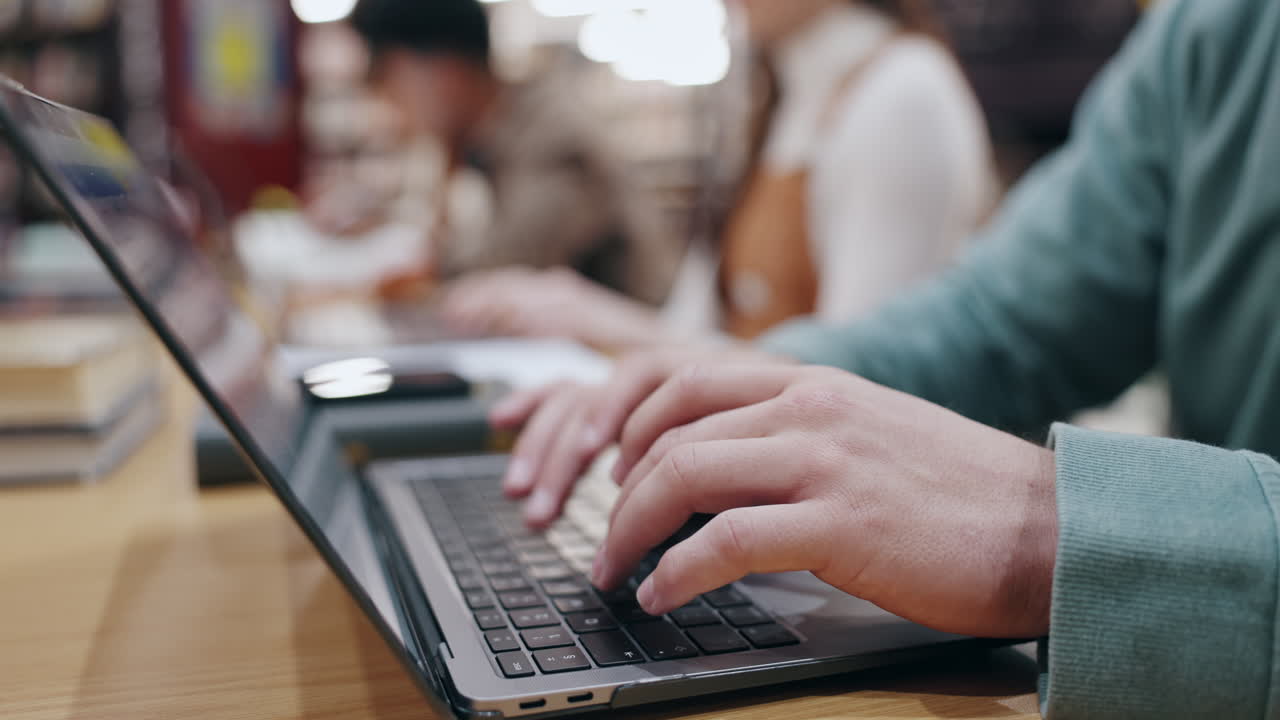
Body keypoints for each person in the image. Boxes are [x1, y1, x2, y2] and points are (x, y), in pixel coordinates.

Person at [489, 0, 1280, 715]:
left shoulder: (899, 89)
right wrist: (759, 392)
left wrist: (1078, 531)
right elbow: (1003, 325)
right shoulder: (1222, 31)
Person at [442, 0, 995, 350]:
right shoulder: (777, 99)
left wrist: (595, 318)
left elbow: (857, 388)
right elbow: (696, 330)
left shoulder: (903, 91)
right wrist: (574, 310)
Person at [330, 0, 680, 306]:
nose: (391, 110)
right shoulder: (489, 135)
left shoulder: (552, 133)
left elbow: (519, 263)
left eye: (389, 84)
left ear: (443, 70)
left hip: (617, 352)